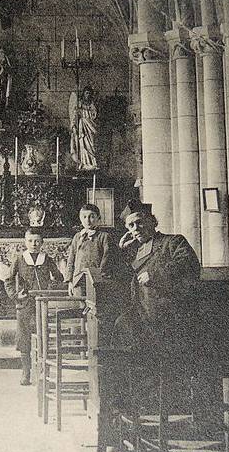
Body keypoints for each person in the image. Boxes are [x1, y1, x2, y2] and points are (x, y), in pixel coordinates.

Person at [119, 203, 201, 403]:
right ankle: (137, 400)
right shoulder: (135, 250)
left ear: (152, 222)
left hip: (170, 316)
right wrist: (120, 250)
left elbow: (189, 264)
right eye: (130, 226)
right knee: (122, 333)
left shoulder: (172, 241)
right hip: (144, 315)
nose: (135, 229)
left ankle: (165, 401)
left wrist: (154, 274)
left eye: (139, 223)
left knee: (161, 359)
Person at [5, 228, 64, 385]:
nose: (34, 244)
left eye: (37, 241)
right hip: (25, 304)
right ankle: (26, 372)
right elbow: (8, 280)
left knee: (43, 336)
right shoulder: (19, 259)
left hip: (43, 303)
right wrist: (16, 295)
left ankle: (44, 371)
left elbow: (59, 277)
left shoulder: (47, 259)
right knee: (23, 338)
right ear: (25, 242)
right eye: (30, 241)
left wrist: (50, 288)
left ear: (42, 243)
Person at [65, 203, 114, 296]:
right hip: (78, 281)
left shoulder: (104, 237)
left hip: (96, 281)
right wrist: (70, 282)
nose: (87, 220)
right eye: (84, 217)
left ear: (98, 218)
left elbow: (107, 259)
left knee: (95, 307)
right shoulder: (77, 237)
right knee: (80, 307)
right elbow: (71, 259)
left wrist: (100, 278)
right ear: (80, 218)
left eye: (91, 216)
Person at [69, 86, 99, 171]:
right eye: (86, 93)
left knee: (91, 145)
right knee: (83, 144)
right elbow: (75, 115)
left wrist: (86, 111)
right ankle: (84, 162)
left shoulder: (92, 105)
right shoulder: (79, 103)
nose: (88, 95)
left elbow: (94, 115)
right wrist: (74, 125)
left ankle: (92, 162)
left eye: (89, 93)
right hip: (82, 127)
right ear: (83, 94)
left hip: (90, 127)